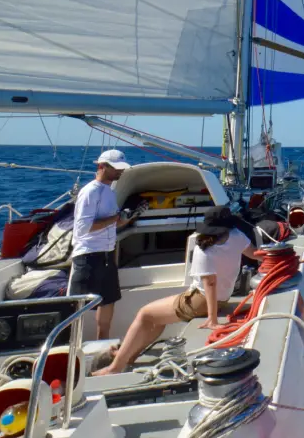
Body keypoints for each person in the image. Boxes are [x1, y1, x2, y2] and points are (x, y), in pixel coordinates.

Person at [93, 206, 257, 375]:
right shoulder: (237, 236)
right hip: (221, 299)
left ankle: (115, 367)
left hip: (199, 300)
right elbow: (255, 254)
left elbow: (210, 285)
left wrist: (212, 319)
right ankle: (128, 358)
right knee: (157, 319)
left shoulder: (205, 249)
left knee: (144, 314)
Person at [69, 149, 139, 340]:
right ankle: (72, 347)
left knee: (108, 302)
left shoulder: (109, 192)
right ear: (102, 166)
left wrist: (130, 216)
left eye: (122, 168)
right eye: (116, 168)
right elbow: (83, 228)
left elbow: (114, 223)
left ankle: (103, 345)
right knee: (78, 307)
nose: (120, 172)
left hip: (107, 254)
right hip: (88, 256)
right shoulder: (90, 191)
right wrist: (116, 217)